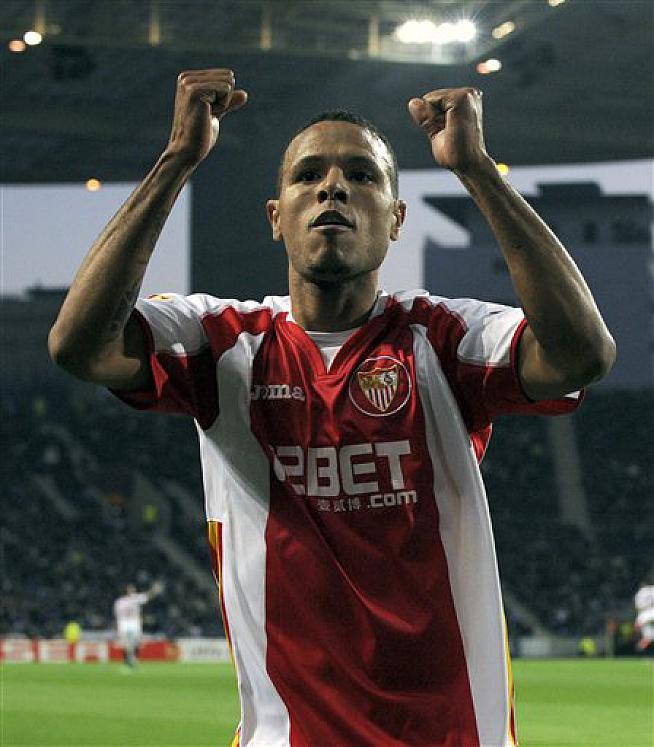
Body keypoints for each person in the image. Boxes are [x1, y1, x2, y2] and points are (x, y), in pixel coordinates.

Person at [49, 68, 615, 746]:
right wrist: (177, 160)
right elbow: (80, 346)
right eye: (309, 174)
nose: (333, 187)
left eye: (362, 175)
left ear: (396, 220)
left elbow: (583, 354)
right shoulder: (222, 343)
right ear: (276, 217)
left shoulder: (444, 338)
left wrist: (478, 172)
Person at [113, 581, 162, 668]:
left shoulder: (135, 598)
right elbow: (118, 616)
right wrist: (117, 626)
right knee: (127, 645)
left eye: (133, 589)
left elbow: (147, 596)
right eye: (131, 589)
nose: (133, 590)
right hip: (124, 624)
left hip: (134, 624)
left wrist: (154, 591)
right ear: (126, 591)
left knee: (136, 643)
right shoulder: (120, 602)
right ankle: (127, 661)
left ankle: (134, 659)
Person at [634, 579, 654, 654]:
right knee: (648, 637)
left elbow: (638, 607)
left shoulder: (639, 593)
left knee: (647, 637)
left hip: (644, 614)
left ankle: (637, 652)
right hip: (652, 611)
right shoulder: (652, 589)